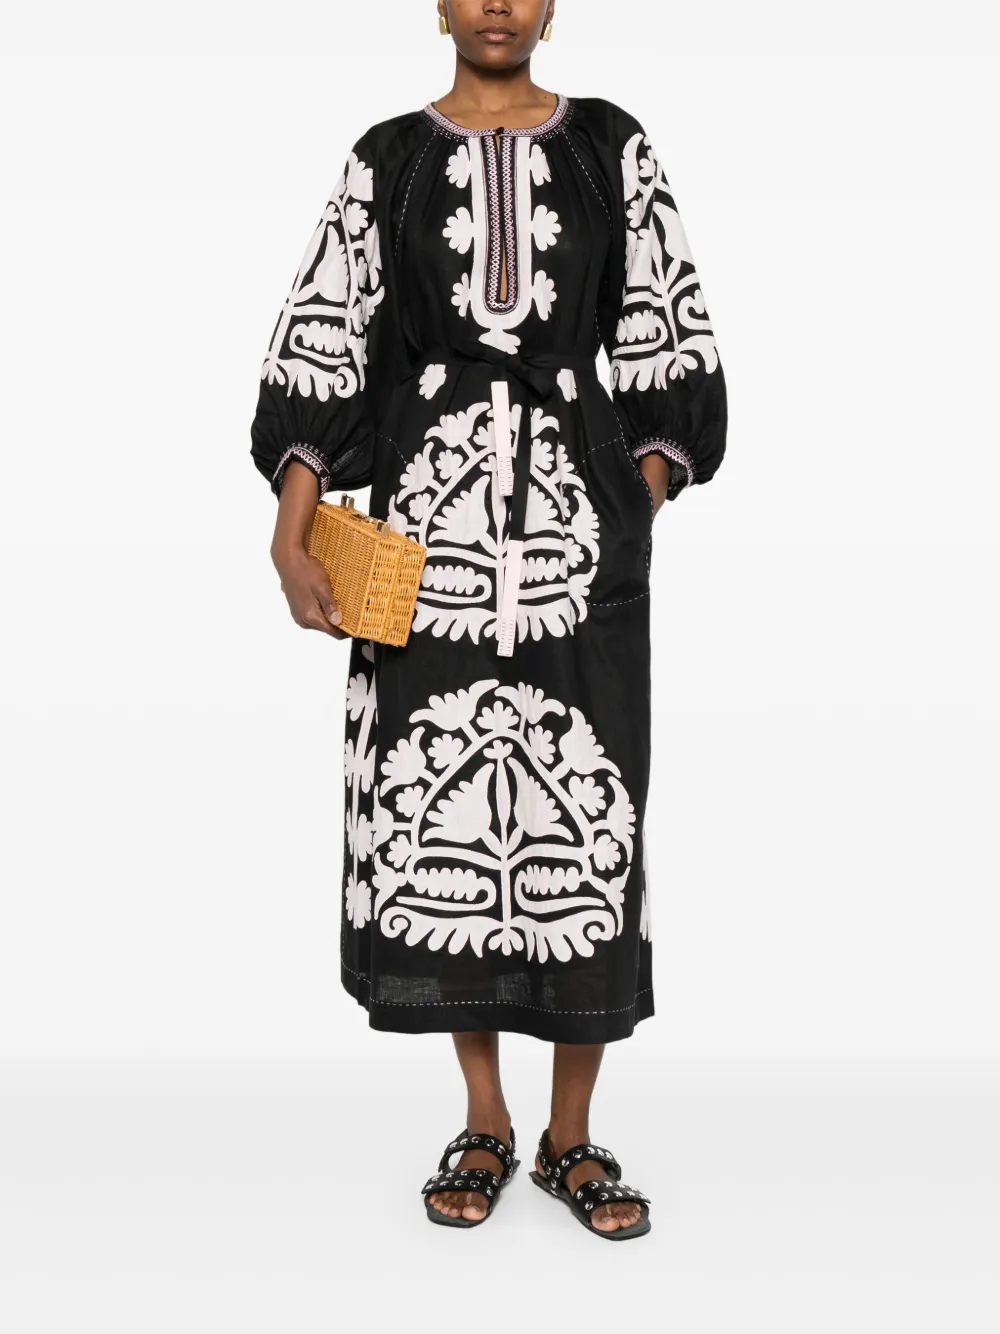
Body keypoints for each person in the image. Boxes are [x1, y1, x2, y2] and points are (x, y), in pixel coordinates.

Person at [249, 0, 727, 1240]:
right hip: (428, 537)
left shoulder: (610, 147)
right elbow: (325, 338)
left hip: (578, 543)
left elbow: (668, 330)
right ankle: (485, 1113)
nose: (497, 4)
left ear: (553, 4)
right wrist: (292, 530)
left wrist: (632, 498)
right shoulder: (388, 160)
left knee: (584, 818)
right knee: (442, 801)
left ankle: (572, 1132)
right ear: (437, 4)